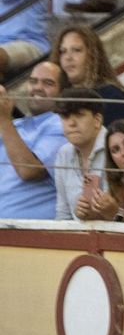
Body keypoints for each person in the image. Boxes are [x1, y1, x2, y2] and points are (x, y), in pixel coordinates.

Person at [0, 64, 67, 219]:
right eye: (33, 81)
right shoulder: (17, 125)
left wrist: (4, 118)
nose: (37, 87)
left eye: (48, 83)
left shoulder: (61, 125)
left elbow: (29, 171)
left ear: (63, 94)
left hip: (32, 235)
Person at [51, 24, 124, 126]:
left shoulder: (110, 95)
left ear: (93, 55)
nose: (68, 57)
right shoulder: (57, 98)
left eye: (77, 50)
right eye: (63, 51)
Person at [51, 90, 108, 221]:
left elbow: (121, 210)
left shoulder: (115, 148)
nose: (71, 123)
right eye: (65, 116)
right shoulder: (63, 154)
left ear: (97, 120)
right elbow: (63, 214)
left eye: (79, 115)